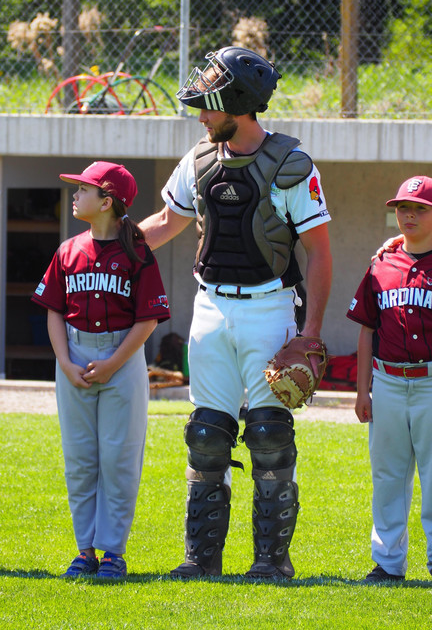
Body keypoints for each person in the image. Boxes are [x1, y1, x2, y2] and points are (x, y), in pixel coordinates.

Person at [139, 46, 332, 580]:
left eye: (209, 104)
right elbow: (166, 222)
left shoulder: (292, 164)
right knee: (206, 434)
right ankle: (201, 560)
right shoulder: (199, 159)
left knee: (269, 433)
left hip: (270, 308)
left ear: (239, 103)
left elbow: (319, 251)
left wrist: (311, 333)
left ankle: (271, 562)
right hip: (210, 306)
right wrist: (106, 244)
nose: (201, 115)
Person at [32, 161, 170, 579]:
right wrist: (64, 362)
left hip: (121, 358)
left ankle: (113, 552)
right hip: (73, 354)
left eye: (83, 189)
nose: (75, 195)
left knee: (118, 457)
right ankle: (85, 550)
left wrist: (113, 363)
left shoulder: (137, 252)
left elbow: (148, 319)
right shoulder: (68, 250)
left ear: (107, 201)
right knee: (80, 459)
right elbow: (54, 311)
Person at [347, 175, 432, 584]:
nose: (409, 215)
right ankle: (387, 563)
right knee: (387, 477)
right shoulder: (381, 264)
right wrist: (362, 391)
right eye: (402, 208)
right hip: (388, 383)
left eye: (419, 209)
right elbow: (367, 330)